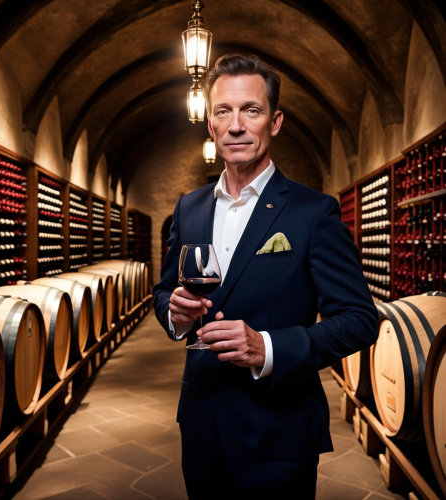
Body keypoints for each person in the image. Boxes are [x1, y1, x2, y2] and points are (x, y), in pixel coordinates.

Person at [153, 54, 379, 499]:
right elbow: (165, 292)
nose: (236, 124)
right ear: (211, 125)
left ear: (274, 122)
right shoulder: (189, 206)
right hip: (202, 423)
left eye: (250, 110)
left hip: (278, 429)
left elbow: (359, 318)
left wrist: (268, 347)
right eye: (224, 111)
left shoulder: (313, 211)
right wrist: (175, 318)